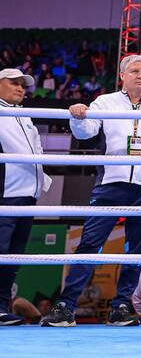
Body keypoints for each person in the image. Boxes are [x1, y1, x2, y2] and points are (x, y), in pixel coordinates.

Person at [43, 55, 141, 327]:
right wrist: (79, 116)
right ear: (123, 76)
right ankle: (65, 306)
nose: (140, 75)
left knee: (135, 250)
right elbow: (85, 133)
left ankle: (121, 306)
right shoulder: (105, 102)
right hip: (109, 185)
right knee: (90, 245)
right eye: (135, 71)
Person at [0, 68, 52, 326]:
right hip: (6, 194)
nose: (21, 88)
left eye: (23, 85)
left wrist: (42, 182)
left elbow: (37, 152)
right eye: (14, 83)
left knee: (14, 255)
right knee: (1, 251)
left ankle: (1, 306)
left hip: (27, 195)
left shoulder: (24, 116)